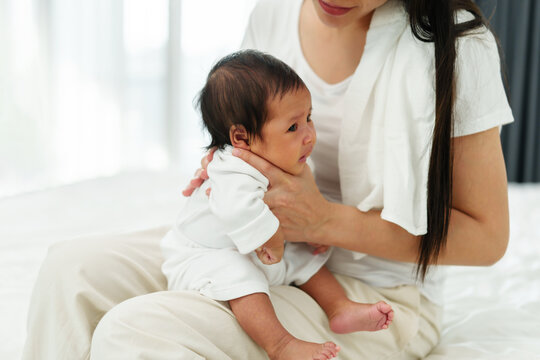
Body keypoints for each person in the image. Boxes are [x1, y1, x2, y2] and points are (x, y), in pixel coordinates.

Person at [23, 0, 513, 359]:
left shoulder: (458, 47)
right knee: (70, 270)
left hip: (375, 289)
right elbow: (242, 130)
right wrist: (222, 161)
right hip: (246, 247)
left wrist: (323, 222)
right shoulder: (274, 14)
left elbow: (487, 239)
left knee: (135, 330)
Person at [161, 49, 394, 360]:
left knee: (306, 257)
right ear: (241, 138)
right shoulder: (234, 167)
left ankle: (340, 307)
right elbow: (236, 208)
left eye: (309, 118)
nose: (309, 135)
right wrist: (270, 237)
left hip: (256, 251)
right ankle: (281, 345)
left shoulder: (286, 159)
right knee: (239, 277)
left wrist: (313, 232)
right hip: (204, 255)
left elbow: (301, 206)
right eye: (293, 127)